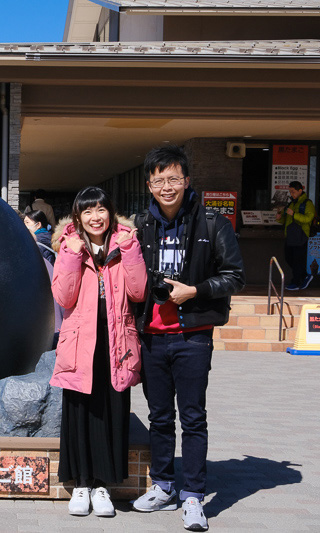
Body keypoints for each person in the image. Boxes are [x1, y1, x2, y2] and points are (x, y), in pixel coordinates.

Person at [132, 146, 245, 532]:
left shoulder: (213, 223)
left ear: (187, 181)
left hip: (193, 335)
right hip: (152, 336)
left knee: (193, 417)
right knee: (160, 417)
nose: (167, 187)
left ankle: (193, 496)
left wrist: (193, 291)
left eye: (174, 179)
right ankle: (163, 486)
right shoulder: (140, 225)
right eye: (159, 180)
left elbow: (235, 276)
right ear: (149, 184)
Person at [50, 186, 147, 518]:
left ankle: (104, 486)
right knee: (79, 412)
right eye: (87, 211)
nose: (95, 217)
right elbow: (63, 297)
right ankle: (80, 483)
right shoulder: (69, 246)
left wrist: (131, 249)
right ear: (78, 216)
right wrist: (72, 254)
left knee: (112, 409)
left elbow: (138, 291)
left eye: (101, 209)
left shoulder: (125, 244)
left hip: (117, 339)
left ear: (111, 212)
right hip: (81, 342)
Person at [276, 180, 316, 290]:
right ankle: (304, 276)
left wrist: (294, 214)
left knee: (298, 260)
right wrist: (279, 217)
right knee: (289, 258)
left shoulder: (308, 203)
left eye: (293, 192)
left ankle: (296, 282)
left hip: (301, 235)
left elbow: (308, 218)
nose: (291, 194)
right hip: (290, 235)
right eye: (290, 192)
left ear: (300, 190)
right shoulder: (291, 203)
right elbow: (285, 220)